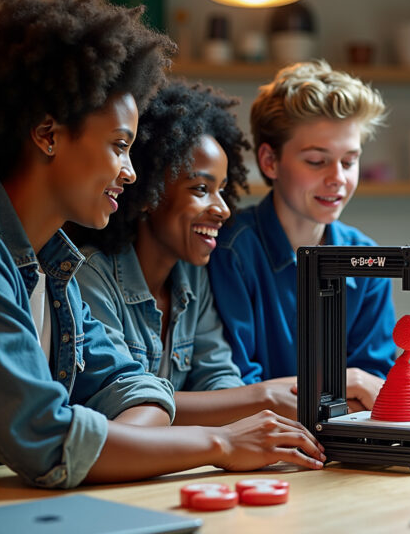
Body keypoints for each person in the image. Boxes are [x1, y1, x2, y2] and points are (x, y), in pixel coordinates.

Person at [0, 0, 323, 490]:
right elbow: (50, 443)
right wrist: (221, 444)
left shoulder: (53, 265)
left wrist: (98, 446)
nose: (131, 173)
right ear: (48, 135)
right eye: (119, 146)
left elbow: (139, 393)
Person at [71, 80, 302, 423]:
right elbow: (123, 404)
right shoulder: (91, 276)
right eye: (200, 189)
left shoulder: (192, 276)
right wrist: (261, 397)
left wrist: (252, 411)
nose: (222, 209)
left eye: (221, 190)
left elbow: (217, 378)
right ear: (149, 193)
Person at [209, 60, 395, 411]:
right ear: (269, 161)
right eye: (316, 161)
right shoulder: (229, 252)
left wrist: (350, 387)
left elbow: (376, 391)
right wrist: (345, 383)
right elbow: (237, 391)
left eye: (349, 161)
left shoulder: (369, 260)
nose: (338, 178)